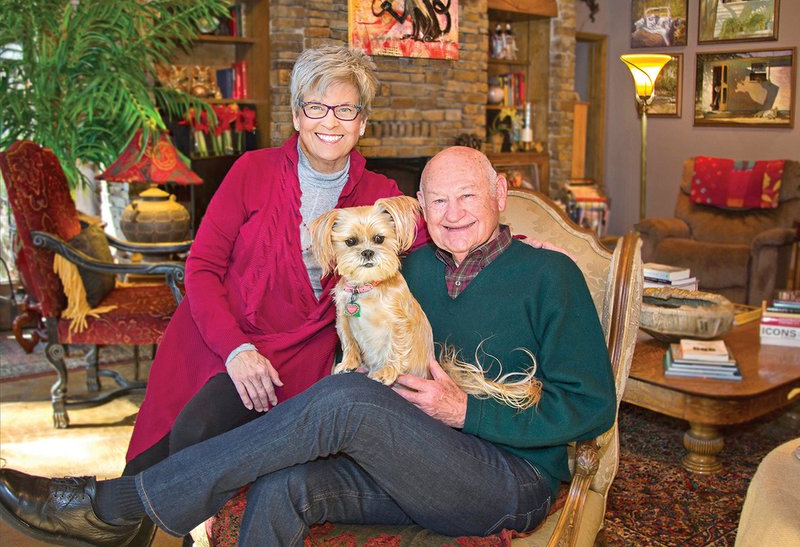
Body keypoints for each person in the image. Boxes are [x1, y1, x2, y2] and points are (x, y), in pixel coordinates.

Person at [0, 146, 617, 546]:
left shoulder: (548, 275)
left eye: (468, 197)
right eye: (437, 199)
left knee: (347, 397)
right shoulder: (404, 266)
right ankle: (129, 503)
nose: (453, 213)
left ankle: (116, 504)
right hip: (413, 459)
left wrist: (467, 411)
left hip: (507, 477)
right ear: (418, 210)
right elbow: (335, 319)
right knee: (284, 484)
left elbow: (593, 409)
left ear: (500, 194)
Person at [123, 44, 425, 477]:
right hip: (220, 335)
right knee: (173, 440)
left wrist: (524, 239)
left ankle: (100, 516)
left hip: (302, 353)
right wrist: (236, 349)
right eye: (317, 107)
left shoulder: (380, 194)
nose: (331, 121)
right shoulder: (252, 171)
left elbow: (439, 226)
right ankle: (114, 523)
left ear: (362, 122)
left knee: (202, 437)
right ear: (298, 115)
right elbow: (202, 267)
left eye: (346, 110)